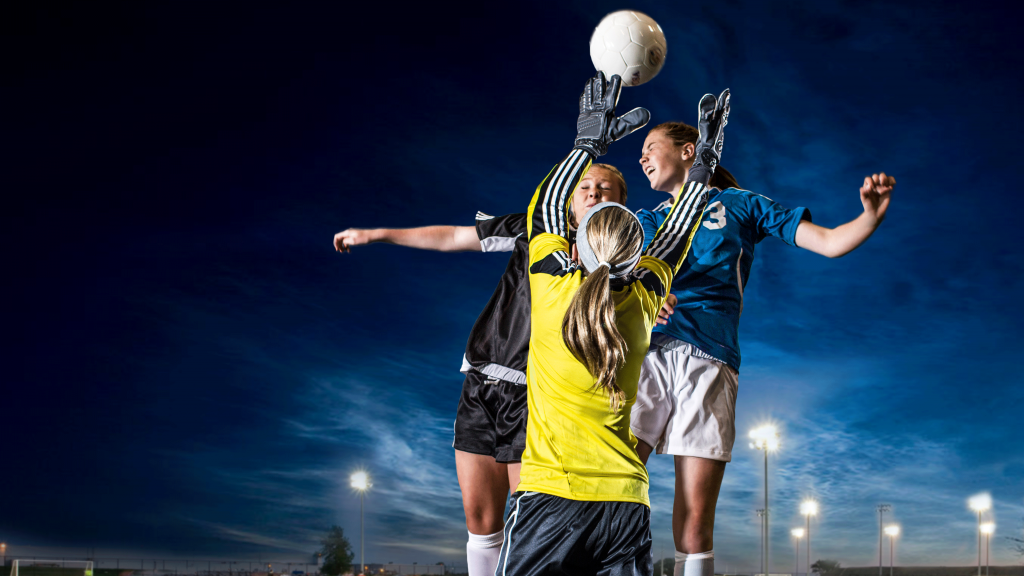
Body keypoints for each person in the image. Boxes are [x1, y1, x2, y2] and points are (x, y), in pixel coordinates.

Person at [335, 164, 628, 576]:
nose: (594, 191)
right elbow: (455, 236)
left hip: (540, 396)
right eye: (585, 185)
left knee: (530, 525)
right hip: (482, 382)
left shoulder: (623, 257)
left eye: (605, 187)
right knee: (480, 523)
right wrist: (377, 234)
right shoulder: (534, 228)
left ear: (621, 201)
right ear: (568, 195)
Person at [631, 120, 896, 576]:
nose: (641, 157)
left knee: (694, 523)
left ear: (690, 151)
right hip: (647, 358)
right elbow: (612, 279)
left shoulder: (740, 203)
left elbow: (830, 243)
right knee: (613, 482)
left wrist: (869, 217)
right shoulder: (649, 219)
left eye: (651, 146)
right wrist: (639, 300)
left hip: (708, 359)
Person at [497, 73, 727, 575]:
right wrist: (703, 164)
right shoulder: (644, 298)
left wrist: (586, 143)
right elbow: (679, 227)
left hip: (548, 500)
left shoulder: (550, 283)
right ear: (637, 256)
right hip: (624, 506)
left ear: (575, 246)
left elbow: (546, 206)